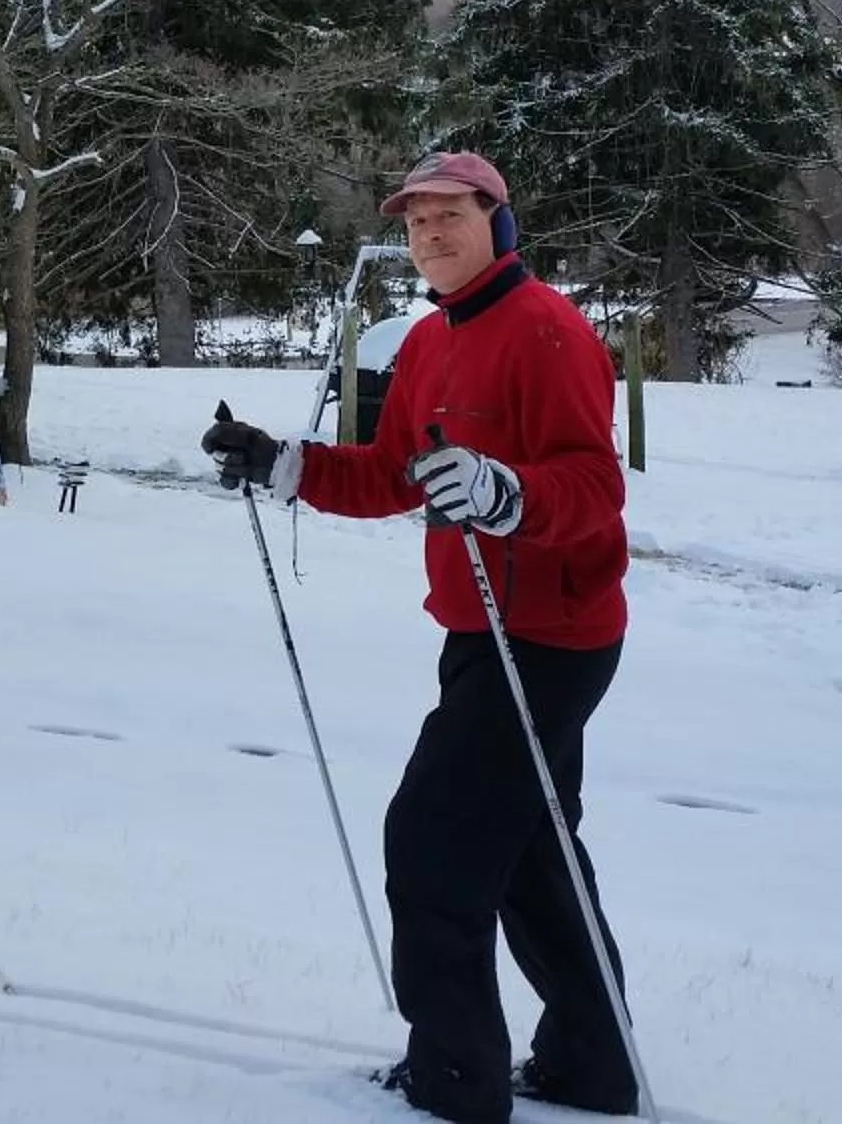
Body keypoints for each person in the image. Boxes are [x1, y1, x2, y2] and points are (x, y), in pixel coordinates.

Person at [201, 152, 636, 1124]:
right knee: (529, 849)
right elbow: (393, 473)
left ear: (498, 219)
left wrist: (503, 490)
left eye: (452, 213)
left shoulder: (549, 331)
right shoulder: (431, 343)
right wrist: (281, 464)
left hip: (553, 635)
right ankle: (592, 1062)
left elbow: (595, 488)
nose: (431, 233)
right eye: (416, 220)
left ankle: (455, 1076)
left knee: (432, 839)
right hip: (479, 629)